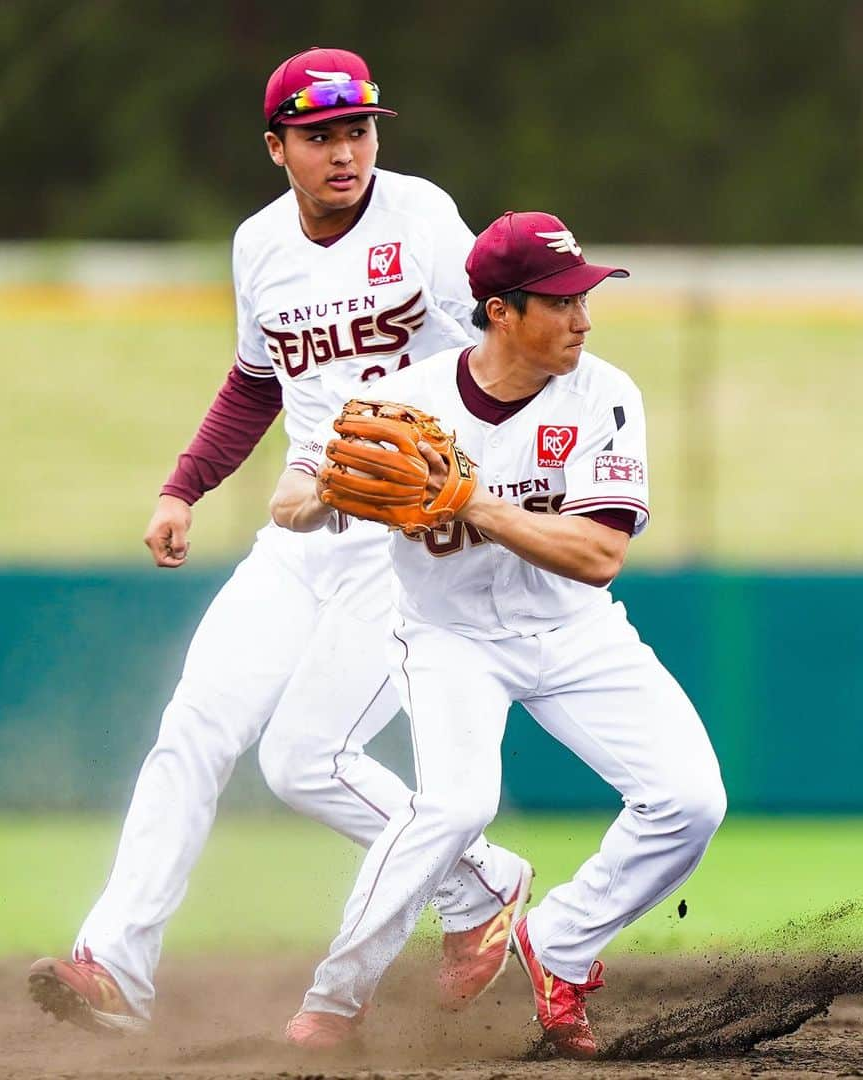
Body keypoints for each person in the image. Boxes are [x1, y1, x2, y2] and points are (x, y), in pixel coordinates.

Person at [26, 48, 531, 1039]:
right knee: (193, 728)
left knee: (302, 762)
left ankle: (475, 883)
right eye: (321, 135)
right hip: (300, 537)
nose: (346, 152)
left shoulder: (421, 220)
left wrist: (424, 475)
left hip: (411, 542)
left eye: (359, 130)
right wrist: (184, 485)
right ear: (277, 148)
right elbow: (256, 382)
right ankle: (117, 969)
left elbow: (500, 355)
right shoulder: (260, 247)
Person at [269, 210, 727, 1058]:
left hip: (575, 631)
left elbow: (597, 554)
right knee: (455, 805)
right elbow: (292, 499)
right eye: (560, 301)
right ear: (500, 311)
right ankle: (336, 998)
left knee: (691, 803)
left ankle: (559, 943)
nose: (583, 318)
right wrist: (326, 493)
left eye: (586, 297)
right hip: (449, 638)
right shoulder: (406, 402)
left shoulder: (605, 394)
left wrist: (468, 499)